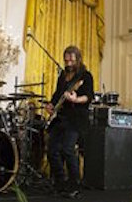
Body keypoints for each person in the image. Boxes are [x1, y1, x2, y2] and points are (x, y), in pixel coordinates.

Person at [45, 46, 94, 198]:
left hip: (76, 119)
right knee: (52, 150)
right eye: (66, 60)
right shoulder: (63, 75)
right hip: (60, 117)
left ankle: (75, 184)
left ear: (78, 59)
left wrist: (76, 99)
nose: (68, 63)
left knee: (67, 149)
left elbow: (89, 96)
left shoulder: (85, 76)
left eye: (71, 60)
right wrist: (51, 105)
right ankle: (61, 183)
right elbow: (57, 94)